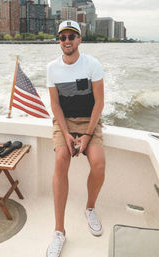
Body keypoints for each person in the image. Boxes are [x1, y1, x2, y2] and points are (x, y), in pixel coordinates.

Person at [46, 20, 105, 257]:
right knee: (61, 159)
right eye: (63, 37)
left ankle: (90, 208)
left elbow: (99, 102)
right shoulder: (52, 68)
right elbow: (55, 104)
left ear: (80, 39)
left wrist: (88, 135)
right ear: (59, 41)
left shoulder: (92, 64)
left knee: (99, 164)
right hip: (65, 122)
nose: (67, 41)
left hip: (89, 119)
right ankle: (59, 231)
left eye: (72, 36)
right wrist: (67, 133)